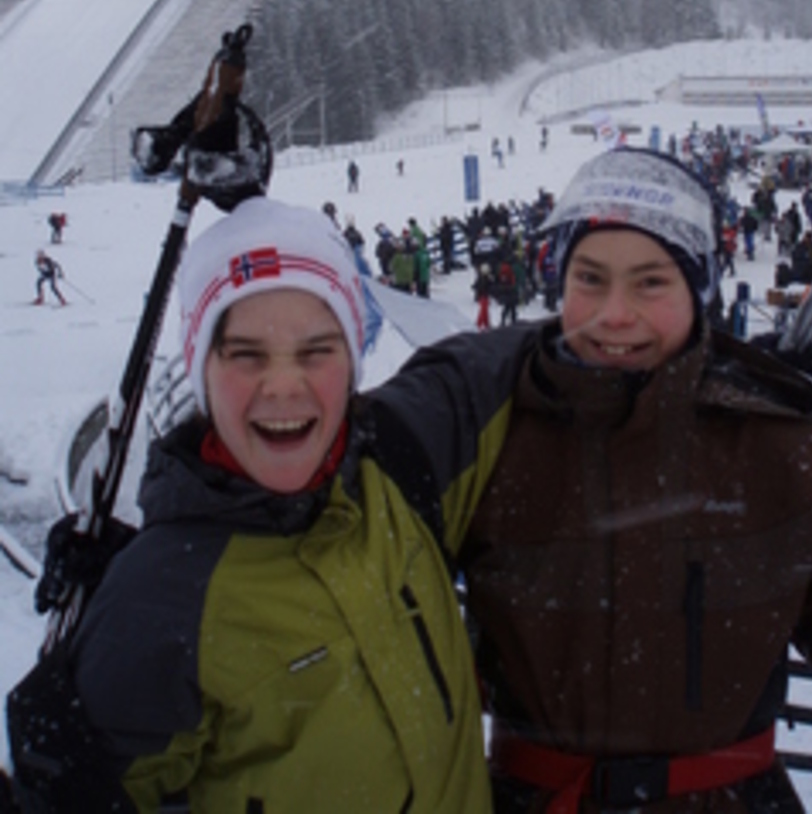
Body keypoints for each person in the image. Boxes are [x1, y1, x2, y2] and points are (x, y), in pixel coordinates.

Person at [374, 147, 812, 814]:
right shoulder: (494, 439)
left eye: (650, 282)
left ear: (698, 292)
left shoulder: (780, 452)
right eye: (588, 278)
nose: (614, 314)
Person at [5, 198, 495, 814]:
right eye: (245, 354)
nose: (284, 385)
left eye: (317, 349)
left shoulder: (398, 474)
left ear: (352, 364)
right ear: (201, 369)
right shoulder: (161, 600)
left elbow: (521, 364)